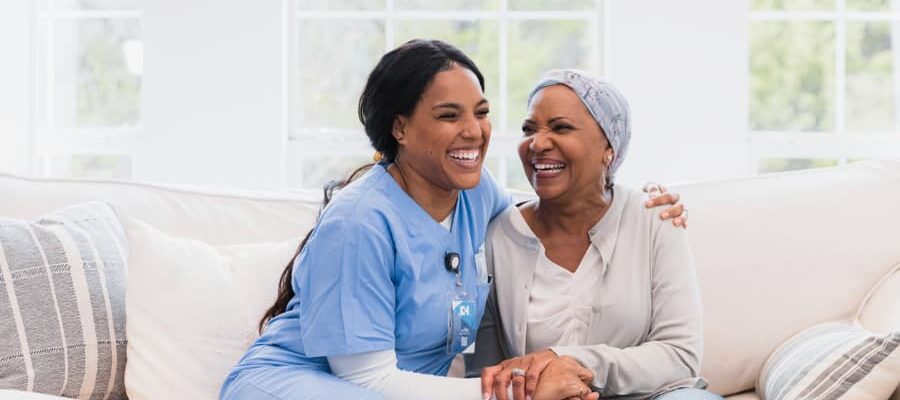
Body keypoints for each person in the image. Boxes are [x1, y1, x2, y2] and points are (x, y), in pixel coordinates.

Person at [220, 40, 685, 400]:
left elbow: (556, 201)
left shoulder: (476, 194)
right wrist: (520, 392)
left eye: (481, 113)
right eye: (449, 115)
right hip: (305, 387)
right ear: (399, 128)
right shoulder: (358, 222)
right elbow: (367, 379)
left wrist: (633, 199)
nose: (473, 131)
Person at [467, 70, 720, 400]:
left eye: (561, 128)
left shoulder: (654, 219)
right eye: (529, 130)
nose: (538, 143)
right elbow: (487, 373)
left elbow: (680, 357)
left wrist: (567, 362)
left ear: (609, 148)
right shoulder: (498, 237)